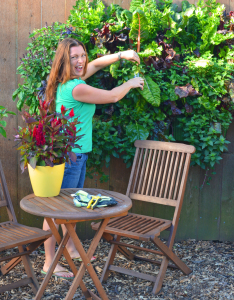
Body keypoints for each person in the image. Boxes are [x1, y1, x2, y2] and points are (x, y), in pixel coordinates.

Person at [43, 38, 144, 278]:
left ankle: (68, 248)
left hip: (77, 154)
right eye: (74, 57)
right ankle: (49, 262)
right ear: (64, 61)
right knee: (57, 211)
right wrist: (130, 83)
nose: (80, 61)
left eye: (81, 55)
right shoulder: (75, 88)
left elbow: (97, 64)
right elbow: (112, 96)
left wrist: (123, 54)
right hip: (70, 158)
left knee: (73, 205)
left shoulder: (72, 80)